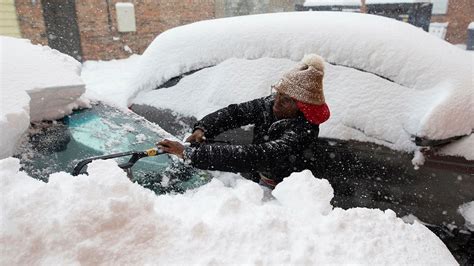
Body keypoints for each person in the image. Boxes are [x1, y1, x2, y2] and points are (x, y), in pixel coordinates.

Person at [158, 54, 330, 189]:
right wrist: (203, 129)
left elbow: (256, 155)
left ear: (302, 107)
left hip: (290, 192)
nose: (276, 102)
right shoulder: (270, 104)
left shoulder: (303, 131)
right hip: (260, 181)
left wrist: (191, 154)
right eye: (277, 93)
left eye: (285, 100)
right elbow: (236, 113)